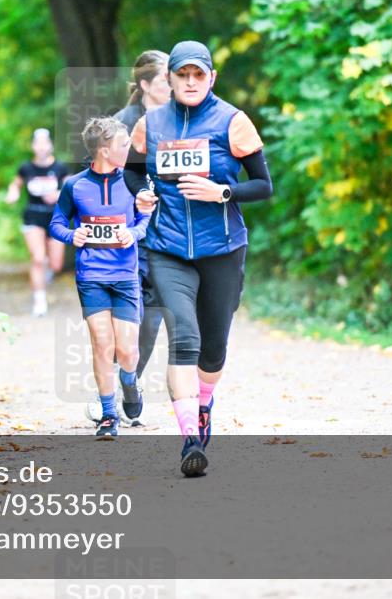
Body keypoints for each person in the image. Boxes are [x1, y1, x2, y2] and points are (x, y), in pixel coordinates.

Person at [129, 41, 273, 476]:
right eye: (182, 75)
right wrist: (141, 193)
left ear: (211, 78)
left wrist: (222, 192)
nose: (190, 82)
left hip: (223, 249)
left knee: (213, 349)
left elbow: (264, 185)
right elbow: (132, 170)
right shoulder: (150, 124)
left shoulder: (233, 121)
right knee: (184, 338)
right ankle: (191, 438)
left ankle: (204, 403)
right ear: (169, 79)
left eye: (198, 75)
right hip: (167, 247)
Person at [79, 50, 169, 425]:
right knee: (120, 325)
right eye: (168, 79)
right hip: (128, 239)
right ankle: (111, 391)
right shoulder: (122, 125)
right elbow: (100, 182)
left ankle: (128, 381)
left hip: (169, 234)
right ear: (146, 85)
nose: (176, 85)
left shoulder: (183, 120)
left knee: (152, 319)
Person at [49, 117, 152, 438]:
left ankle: (130, 383)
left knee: (128, 352)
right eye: (124, 145)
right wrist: (72, 236)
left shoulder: (135, 182)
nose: (130, 150)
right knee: (102, 344)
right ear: (105, 151)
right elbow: (56, 223)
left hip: (125, 277)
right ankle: (109, 415)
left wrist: (133, 233)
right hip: (91, 276)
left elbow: (145, 219)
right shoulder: (75, 185)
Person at [5, 128, 69, 317]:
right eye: (37, 143)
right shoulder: (26, 168)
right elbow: (15, 184)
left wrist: (59, 194)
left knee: (56, 264)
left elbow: (70, 190)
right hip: (33, 215)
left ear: (50, 145)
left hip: (56, 217)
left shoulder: (60, 168)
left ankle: (47, 270)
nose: (41, 147)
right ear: (33, 146)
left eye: (45, 143)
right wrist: (13, 193)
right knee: (38, 258)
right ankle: (39, 301)